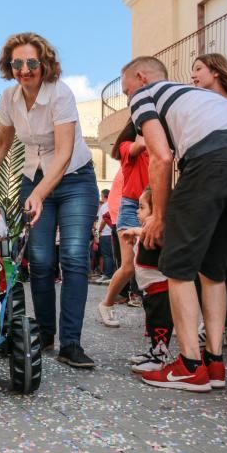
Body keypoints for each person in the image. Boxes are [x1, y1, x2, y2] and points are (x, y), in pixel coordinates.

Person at [122, 55, 227, 392]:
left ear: (141, 78)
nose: (129, 97)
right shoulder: (204, 98)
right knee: (213, 269)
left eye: (128, 89)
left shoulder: (146, 95)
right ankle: (214, 363)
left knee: (177, 266)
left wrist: (159, 216)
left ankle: (189, 366)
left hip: (211, 160)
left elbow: (161, 156)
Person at [0, 32, 99, 368]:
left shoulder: (60, 94)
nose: (24, 69)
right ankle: (44, 334)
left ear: (43, 63)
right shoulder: (9, 97)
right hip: (34, 176)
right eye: (16, 63)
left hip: (75, 179)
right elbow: (2, 145)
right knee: (39, 259)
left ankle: (71, 344)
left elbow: (63, 154)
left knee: (76, 258)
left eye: (31, 63)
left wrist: (38, 193)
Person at [191, 53, 227, 351]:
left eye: (198, 69)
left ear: (216, 72)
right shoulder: (197, 107)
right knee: (205, 257)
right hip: (204, 189)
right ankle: (210, 324)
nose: (194, 75)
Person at [97, 119, 148, 327]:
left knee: (159, 267)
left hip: (154, 205)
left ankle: (164, 315)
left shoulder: (157, 147)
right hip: (131, 207)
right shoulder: (127, 147)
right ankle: (106, 304)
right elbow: (141, 144)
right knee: (128, 267)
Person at [122, 187, 173, 374]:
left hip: (161, 289)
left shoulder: (158, 232)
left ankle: (160, 357)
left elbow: (161, 240)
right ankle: (154, 352)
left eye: (142, 207)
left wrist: (137, 231)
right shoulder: (146, 230)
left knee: (160, 324)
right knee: (153, 323)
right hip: (151, 289)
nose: (137, 211)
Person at [95, 189, 114, 284]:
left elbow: (103, 219)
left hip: (105, 233)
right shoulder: (111, 204)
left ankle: (108, 274)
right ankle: (111, 274)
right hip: (111, 232)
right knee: (110, 255)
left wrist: (99, 230)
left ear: (103, 196)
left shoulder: (104, 206)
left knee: (107, 255)